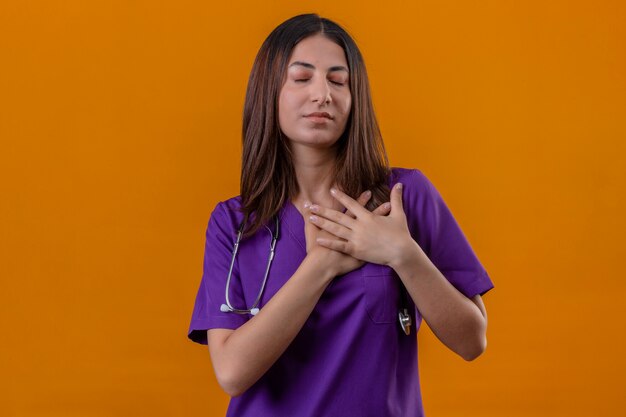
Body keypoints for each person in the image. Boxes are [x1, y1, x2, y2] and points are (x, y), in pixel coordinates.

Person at [188, 13, 494, 417]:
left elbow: (472, 341)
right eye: (301, 78)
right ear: (269, 92)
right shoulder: (236, 223)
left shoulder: (403, 197)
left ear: (355, 98)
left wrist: (402, 253)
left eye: (338, 80)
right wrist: (322, 265)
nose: (322, 94)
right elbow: (231, 372)